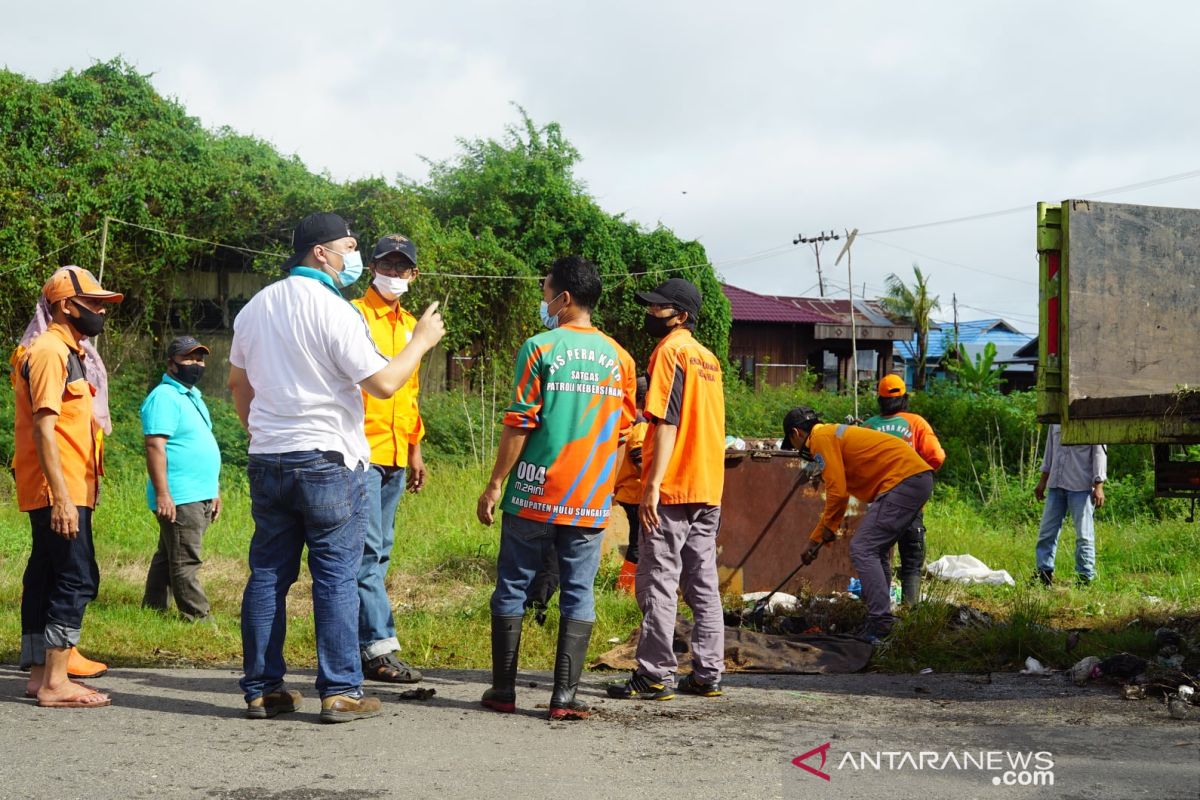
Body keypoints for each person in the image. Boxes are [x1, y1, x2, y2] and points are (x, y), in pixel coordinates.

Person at [228, 212, 445, 723]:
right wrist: (421, 341)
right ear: (320, 253)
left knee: (267, 575)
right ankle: (341, 690)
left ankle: (262, 688)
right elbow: (384, 384)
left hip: (269, 457)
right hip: (328, 459)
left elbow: (238, 385)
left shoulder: (255, 307)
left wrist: (262, 433)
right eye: (348, 246)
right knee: (335, 578)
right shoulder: (337, 310)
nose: (354, 258)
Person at [476, 255, 636, 721]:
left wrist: (494, 484)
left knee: (512, 584)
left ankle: (503, 691)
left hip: (533, 491)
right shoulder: (621, 359)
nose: (543, 300)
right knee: (578, 591)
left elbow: (519, 424)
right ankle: (563, 699)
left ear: (564, 298)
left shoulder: (539, 348)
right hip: (589, 497)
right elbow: (625, 433)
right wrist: (606, 486)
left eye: (546, 292)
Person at [608, 278, 726, 702]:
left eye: (658, 308)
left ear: (681, 315)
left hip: (673, 486)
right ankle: (709, 673)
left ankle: (655, 675)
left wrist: (652, 486)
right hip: (708, 486)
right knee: (704, 585)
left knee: (659, 580)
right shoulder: (708, 359)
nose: (650, 313)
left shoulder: (669, 353)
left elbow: (666, 421)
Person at [11, 266, 123, 708]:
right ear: (65, 306)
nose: (99, 311)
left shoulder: (69, 350)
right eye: (93, 303)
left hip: (70, 483)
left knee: (49, 573)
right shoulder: (49, 352)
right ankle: (57, 681)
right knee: (76, 578)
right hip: (60, 487)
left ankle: (41, 676)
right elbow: (44, 427)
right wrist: (60, 496)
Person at [783, 407, 934, 645]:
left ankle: (880, 623)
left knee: (863, 548)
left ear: (796, 433)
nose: (798, 451)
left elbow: (838, 493)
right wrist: (821, 535)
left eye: (792, 444)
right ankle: (882, 618)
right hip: (913, 479)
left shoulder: (820, 439)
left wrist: (818, 537)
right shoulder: (831, 434)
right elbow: (839, 493)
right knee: (875, 550)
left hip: (904, 480)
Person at [349, 234, 427, 683]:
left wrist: (415, 450)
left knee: (380, 553)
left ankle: (365, 645)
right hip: (362, 450)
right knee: (368, 550)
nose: (393, 274)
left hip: (397, 451)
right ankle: (377, 647)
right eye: (386, 265)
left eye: (402, 267)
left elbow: (410, 393)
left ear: (413, 274)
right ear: (372, 267)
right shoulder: (355, 316)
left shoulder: (413, 325)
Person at [141, 336, 222, 622]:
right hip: (180, 494)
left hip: (198, 492)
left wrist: (214, 490)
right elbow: (155, 446)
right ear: (171, 364)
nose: (196, 364)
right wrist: (163, 494)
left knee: (168, 555)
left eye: (200, 359)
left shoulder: (192, 397)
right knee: (186, 560)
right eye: (189, 359)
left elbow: (201, 447)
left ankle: (152, 612)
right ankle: (199, 619)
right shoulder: (164, 397)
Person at [861, 374, 945, 605]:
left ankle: (878, 610)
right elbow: (936, 456)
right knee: (911, 560)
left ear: (880, 400)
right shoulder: (916, 423)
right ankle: (910, 612)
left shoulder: (867, 427)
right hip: (909, 502)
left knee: (876, 556)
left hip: (879, 502)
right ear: (905, 398)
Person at [1033, 424, 1106, 586]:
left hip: (1081, 486)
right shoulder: (1056, 420)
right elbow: (1049, 451)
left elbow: (1099, 453)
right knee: (1046, 533)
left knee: (1084, 535)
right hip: (1056, 484)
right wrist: (1042, 481)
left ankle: (1085, 578)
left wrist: (1099, 485)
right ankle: (1043, 574)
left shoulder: (1091, 418)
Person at [613, 376, 650, 593]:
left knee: (638, 542)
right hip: (636, 494)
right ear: (646, 398)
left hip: (628, 492)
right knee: (638, 544)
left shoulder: (626, 420)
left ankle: (627, 587)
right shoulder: (640, 424)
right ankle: (625, 589)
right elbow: (640, 461)